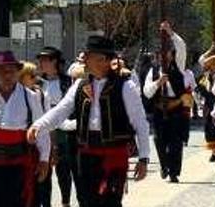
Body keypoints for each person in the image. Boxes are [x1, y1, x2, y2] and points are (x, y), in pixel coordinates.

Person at [28, 35, 151, 207]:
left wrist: (144, 158)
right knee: (86, 201)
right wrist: (39, 125)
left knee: (109, 202)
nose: (83, 60)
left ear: (103, 59)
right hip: (85, 156)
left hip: (113, 155)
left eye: (88, 55)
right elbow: (60, 111)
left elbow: (140, 123)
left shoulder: (125, 87)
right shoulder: (79, 85)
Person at [0, 50, 50, 207]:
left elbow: (41, 129)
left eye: (11, 70)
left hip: (21, 166)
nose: (7, 75)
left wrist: (44, 159)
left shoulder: (31, 97)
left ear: (17, 72)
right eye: (2, 71)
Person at [143, 33, 189, 183]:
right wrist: (158, 83)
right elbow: (147, 92)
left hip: (175, 109)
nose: (163, 56)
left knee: (175, 143)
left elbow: (182, 46)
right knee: (159, 140)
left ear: (171, 53)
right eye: (160, 53)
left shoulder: (179, 66)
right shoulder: (154, 71)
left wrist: (170, 33)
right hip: (159, 109)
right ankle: (164, 166)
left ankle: (174, 172)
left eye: (166, 52)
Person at [36, 46, 78, 207]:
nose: (41, 63)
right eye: (40, 60)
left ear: (54, 61)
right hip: (42, 129)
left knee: (63, 169)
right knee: (43, 169)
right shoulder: (38, 82)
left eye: (45, 60)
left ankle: (65, 202)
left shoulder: (67, 82)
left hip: (62, 129)